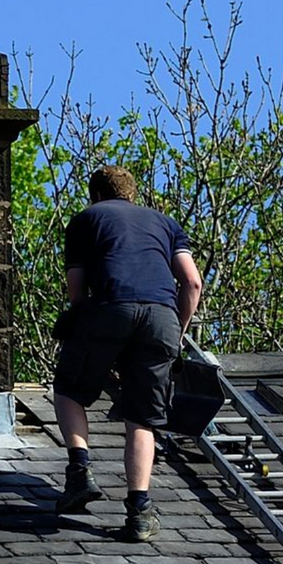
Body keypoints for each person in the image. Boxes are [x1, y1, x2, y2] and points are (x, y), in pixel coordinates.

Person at [51, 166, 203, 542]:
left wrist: (85, 333)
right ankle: (139, 511)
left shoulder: (86, 219)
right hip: (162, 317)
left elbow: (76, 290)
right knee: (141, 418)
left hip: (110, 306)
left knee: (69, 389)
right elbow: (192, 281)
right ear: (133, 194)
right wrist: (177, 332)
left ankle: (79, 473)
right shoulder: (166, 224)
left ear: (96, 195)